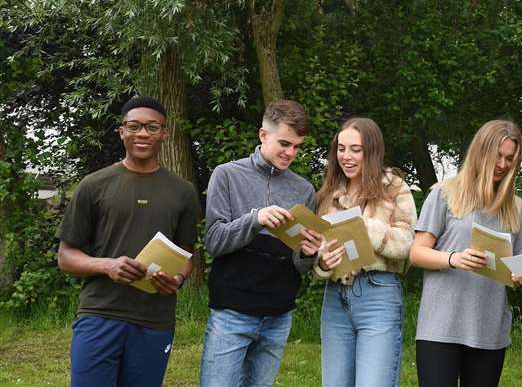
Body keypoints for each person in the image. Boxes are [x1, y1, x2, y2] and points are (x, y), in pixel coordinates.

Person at [56, 96, 200, 387]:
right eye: (134, 126)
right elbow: (66, 256)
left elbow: (187, 253)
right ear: (121, 131)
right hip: (99, 314)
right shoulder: (94, 185)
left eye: (152, 127)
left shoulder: (183, 191)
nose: (143, 133)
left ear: (165, 132)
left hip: (155, 319)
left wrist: (179, 278)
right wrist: (108, 266)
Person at [199, 100, 324, 387]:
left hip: (279, 315)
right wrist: (256, 220)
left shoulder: (304, 190)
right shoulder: (227, 174)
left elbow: (300, 265)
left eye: (297, 146)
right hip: (231, 311)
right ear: (262, 135)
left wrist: (308, 253)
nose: (290, 152)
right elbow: (214, 242)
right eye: (284, 143)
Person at [409, 119, 522, 387]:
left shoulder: (517, 208)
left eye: (509, 158)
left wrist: (518, 275)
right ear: (480, 152)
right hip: (440, 327)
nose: (502, 164)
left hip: (489, 330)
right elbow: (417, 253)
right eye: (497, 156)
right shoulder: (444, 194)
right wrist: (454, 259)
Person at [314, 117, 417, 387]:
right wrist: (323, 262)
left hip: (378, 295)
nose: (346, 157)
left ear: (371, 151)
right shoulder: (329, 192)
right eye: (341, 148)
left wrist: (362, 224)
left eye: (355, 149)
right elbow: (318, 249)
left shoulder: (394, 187)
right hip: (335, 297)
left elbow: (406, 243)